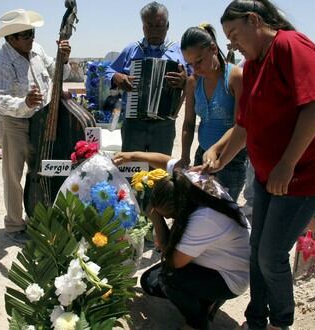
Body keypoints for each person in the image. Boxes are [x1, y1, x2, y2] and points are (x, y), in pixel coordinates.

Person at [213, 1, 315, 329]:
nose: (233, 43)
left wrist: (288, 163)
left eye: (235, 34)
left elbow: (314, 105)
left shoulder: (291, 45)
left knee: (271, 255)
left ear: (255, 20)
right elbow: (244, 128)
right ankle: (256, 318)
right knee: (257, 251)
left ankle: (280, 322)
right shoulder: (253, 64)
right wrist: (218, 162)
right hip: (271, 175)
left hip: (304, 173)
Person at [114, 151, 250, 330]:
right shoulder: (191, 183)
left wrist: (156, 217)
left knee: (169, 279)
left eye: (169, 216)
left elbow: (173, 262)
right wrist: (131, 156)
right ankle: (207, 299)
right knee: (149, 281)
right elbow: (168, 162)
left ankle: (198, 321)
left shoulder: (203, 219)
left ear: (180, 210)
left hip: (231, 277)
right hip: (221, 260)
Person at [0, 9, 72, 244]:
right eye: (25, 34)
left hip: (40, 121)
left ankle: (36, 218)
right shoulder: (0, 61)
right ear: (10, 38)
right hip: (13, 123)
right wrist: (24, 103)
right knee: (13, 177)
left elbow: (58, 74)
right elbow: (1, 99)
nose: (31, 38)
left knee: (39, 172)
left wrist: (63, 59)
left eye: (32, 32)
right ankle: (15, 226)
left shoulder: (37, 50)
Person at [105, 1, 189, 156]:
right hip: (133, 123)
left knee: (159, 173)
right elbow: (108, 71)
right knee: (131, 169)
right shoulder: (131, 49)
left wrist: (185, 81)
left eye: (159, 25)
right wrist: (117, 77)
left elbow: (197, 79)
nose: (154, 30)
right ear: (143, 27)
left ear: (168, 25)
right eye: (149, 25)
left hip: (164, 124)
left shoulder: (179, 51)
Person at [176, 23, 246, 202]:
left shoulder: (235, 77)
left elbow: (240, 125)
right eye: (190, 64)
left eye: (198, 61)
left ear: (213, 49)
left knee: (223, 216)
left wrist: (216, 150)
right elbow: (189, 123)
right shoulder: (193, 82)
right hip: (203, 155)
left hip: (232, 159)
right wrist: (185, 157)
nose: (195, 69)